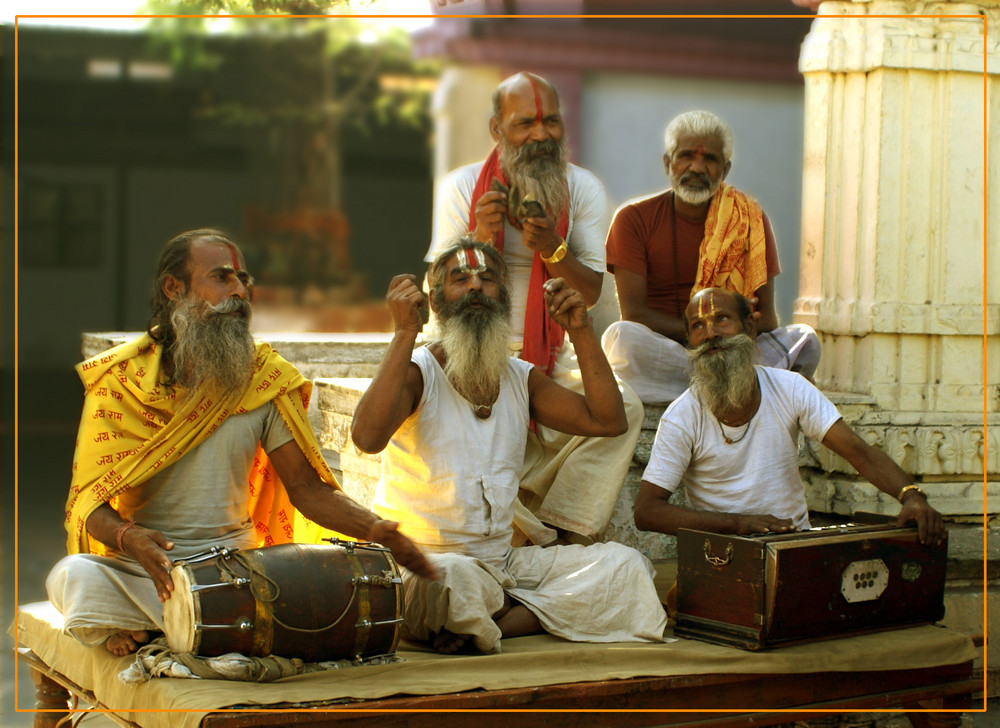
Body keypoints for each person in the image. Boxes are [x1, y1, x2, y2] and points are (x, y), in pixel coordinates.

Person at [46, 229, 436, 657]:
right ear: (174, 288)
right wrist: (128, 538)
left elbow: (307, 490)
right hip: (143, 573)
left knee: (321, 585)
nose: (241, 292)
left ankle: (171, 631)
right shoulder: (121, 381)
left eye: (244, 280)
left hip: (235, 573)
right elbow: (89, 500)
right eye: (222, 278)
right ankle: (181, 628)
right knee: (73, 576)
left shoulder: (263, 378)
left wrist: (375, 530)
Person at [351, 239, 667, 654]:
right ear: (436, 299)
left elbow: (607, 420)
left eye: (487, 279)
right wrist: (405, 333)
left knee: (626, 566)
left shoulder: (521, 377)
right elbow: (366, 438)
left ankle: (504, 621)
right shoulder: (418, 373)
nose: (476, 288)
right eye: (460, 279)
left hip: (504, 563)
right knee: (453, 584)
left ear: (504, 295)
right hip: (428, 563)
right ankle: (507, 614)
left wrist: (581, 328)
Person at [427, 71, 642, 546]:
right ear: (496, 130)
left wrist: (551, 245)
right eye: (526, 123)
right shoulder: (461, 187)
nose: (541, 135)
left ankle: (565, 528)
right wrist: (480, 239)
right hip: (475, 343)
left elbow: (589, 292)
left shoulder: (580, 188)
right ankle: (521, 509)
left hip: (551, 349)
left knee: (623, 407)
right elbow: (438, 289)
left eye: (551, 122)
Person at [634, 287, 944, 546]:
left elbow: (859, 453)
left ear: (749, 329)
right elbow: (647, 511)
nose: (711, 332)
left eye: (721, 319)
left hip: (794, 543)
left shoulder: (788, 387)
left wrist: (911, 496)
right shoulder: (683, 415)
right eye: (698, 326)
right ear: (691, 341)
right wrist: (739, 525)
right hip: (725, 551)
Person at [602, 109, 821, 406]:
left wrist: (728, 335)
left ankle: (703, 390)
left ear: (725, 170)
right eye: (686, 156)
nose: (697, 167)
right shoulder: (634, 218)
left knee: (804, 339)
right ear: (668, 163)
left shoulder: (750, 219)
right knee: (623, 338)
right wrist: (707, 331)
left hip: (735, 352)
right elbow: (635, 315)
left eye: (710, 159)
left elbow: (767, 317)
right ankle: (737, 392)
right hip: (670, 351)